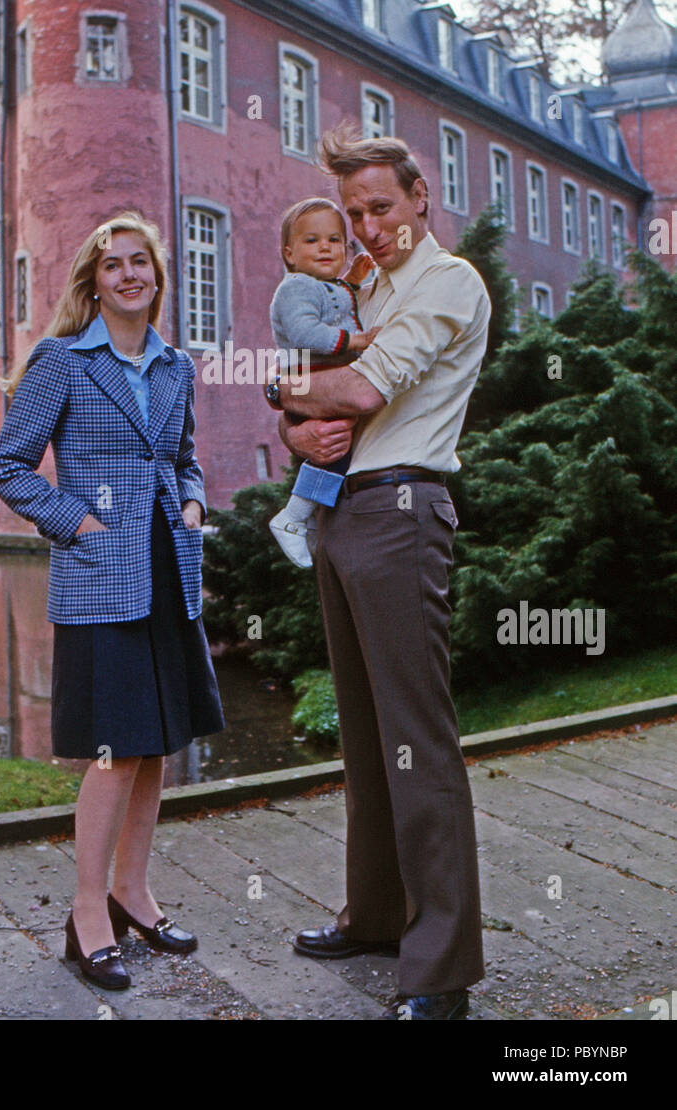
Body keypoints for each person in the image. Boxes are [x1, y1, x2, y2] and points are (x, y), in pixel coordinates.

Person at [264, 126, 491, 1021]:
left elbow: (357, 392)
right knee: (364, 732)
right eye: (353, 212)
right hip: (346, 508)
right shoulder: (365, 286)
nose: (366, 225)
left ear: (420, 197)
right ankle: (377, 916)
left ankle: (441, 974)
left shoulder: (446, 282)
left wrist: (283, 396)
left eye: (381, 207)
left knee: (417, 736)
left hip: (403, 511)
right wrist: (293, 425)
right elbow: (319, 398)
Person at [0, 211, 224, 991]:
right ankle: (88, 912)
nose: (128, 274)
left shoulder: (175, 367)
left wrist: (192, 508)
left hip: (168, 570)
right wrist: (79, 523)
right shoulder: (61, 360)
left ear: (158, 276)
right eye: (112, 264)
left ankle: (134, 891)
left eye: (140, 263)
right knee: (116, 751)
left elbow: (185, 461)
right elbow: (10, 468)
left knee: (157, 744)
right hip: (99, 573)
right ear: (94, 282)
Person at [268, 197, 380, 568]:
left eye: (335, 240)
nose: (325, 248)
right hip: (311, 378)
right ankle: (293, 516)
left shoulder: (320, 284)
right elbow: (304, 330)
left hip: (319, 377)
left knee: (336, 449)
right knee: (334, 448)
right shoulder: (294, 287)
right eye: (312, 241)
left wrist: (352, 281)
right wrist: (357, 342)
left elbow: (331, 304)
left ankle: (308, 520)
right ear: (289, 252)